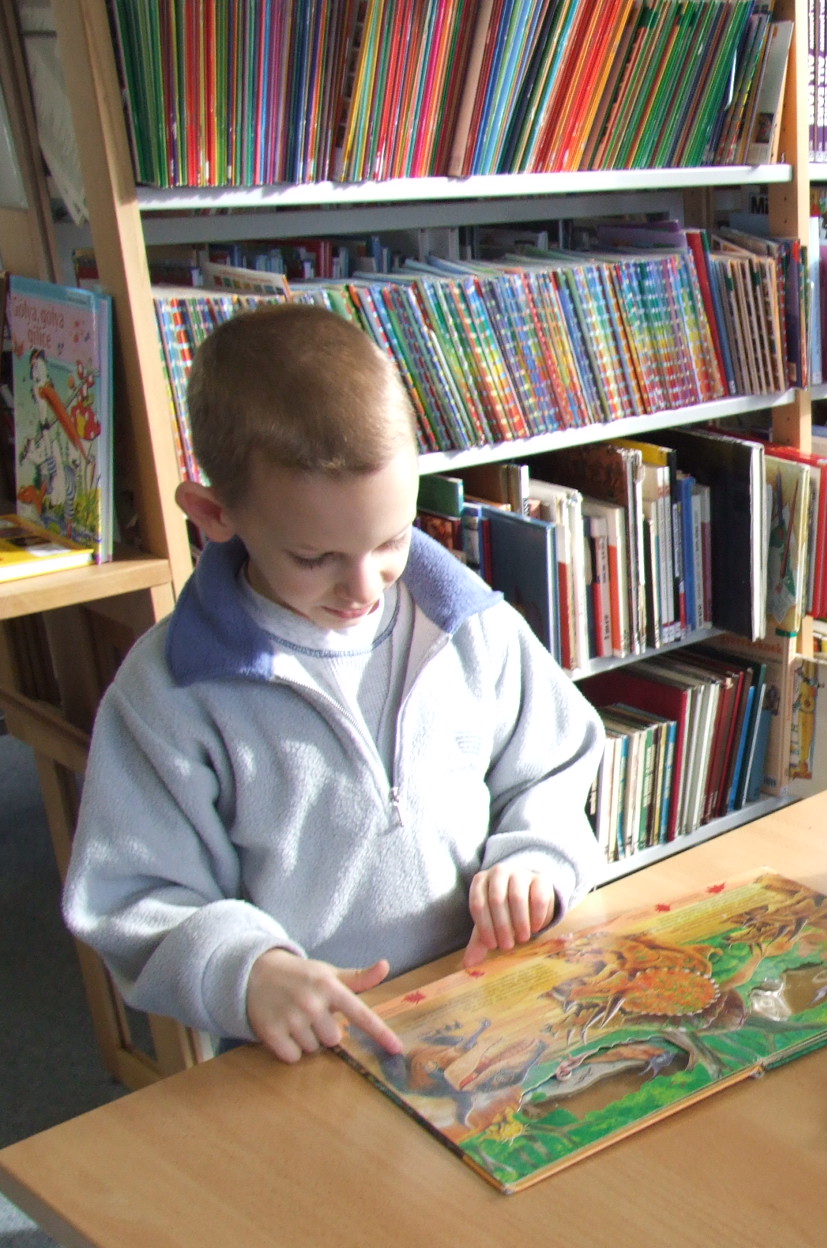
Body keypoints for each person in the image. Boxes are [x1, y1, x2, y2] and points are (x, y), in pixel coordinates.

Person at [64, 303, 605, 1066]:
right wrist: (248, 970)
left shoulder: (470, 625)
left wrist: (539, 858)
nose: (364, 586)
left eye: (391, 540)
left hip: (493, 1005)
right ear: (214, 514)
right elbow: (131, 894)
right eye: (315, 558)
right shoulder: (169, 693)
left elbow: (553, 765)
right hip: (310, 1050)